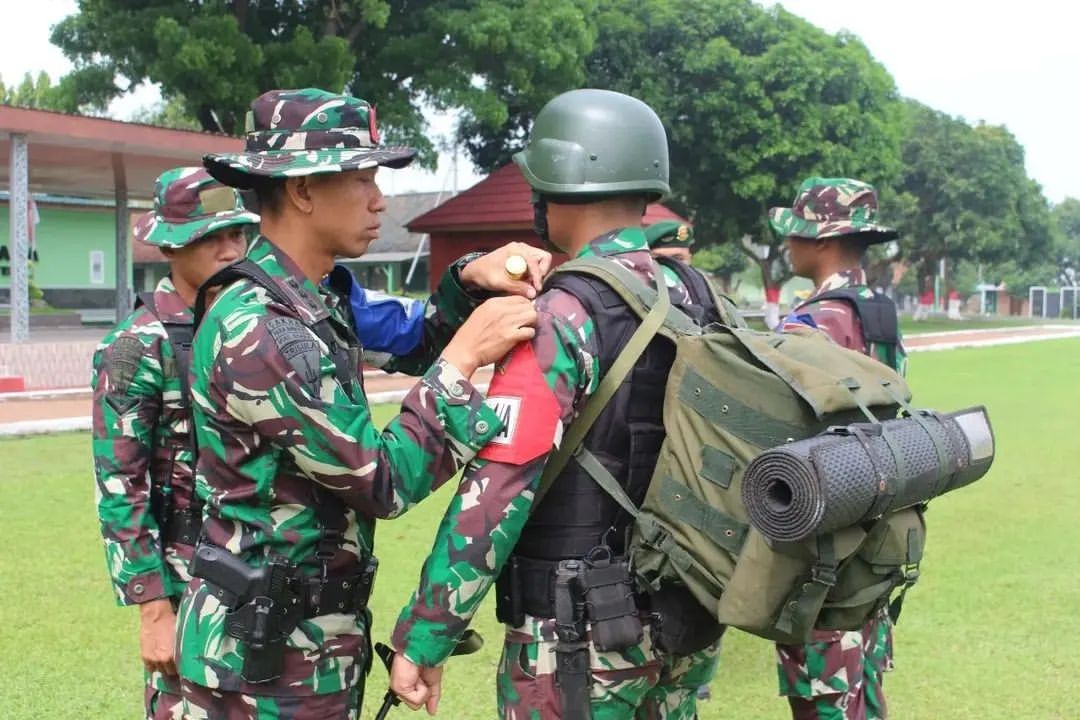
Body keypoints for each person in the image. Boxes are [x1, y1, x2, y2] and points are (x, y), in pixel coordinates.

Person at [176, 87, 545, 719]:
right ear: (301, 190)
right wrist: (462, 365)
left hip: (303, 645)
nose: (380, 200)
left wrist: (469, 276)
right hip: (264, 665)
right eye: (364, 178)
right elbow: (381, 480)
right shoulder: (262, 328)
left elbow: (415, 340)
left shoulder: (313, 301)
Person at [388, 89, 722, 719]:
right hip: (685, 612)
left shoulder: (564, 314)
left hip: (578, 632)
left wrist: (426, 635)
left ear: (560, 184)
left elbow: (497, 490)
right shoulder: (699, 295)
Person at [91, 167, 258, 719]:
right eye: (211, 236)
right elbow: (120, 484)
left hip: (257, 566)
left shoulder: (248, 327)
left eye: (238, 234)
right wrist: (151, 606)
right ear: (169, 242)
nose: (230, 248)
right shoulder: (137, 347)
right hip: (186, 573)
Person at [771, 176, 908, 719]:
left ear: (823, 240)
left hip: (826, 531)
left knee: (825, 687)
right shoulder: (878, 309)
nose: (787, 245)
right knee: (862, 680)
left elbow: (783, 425)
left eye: (796, 234)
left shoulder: (814, 322)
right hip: (880, 519)